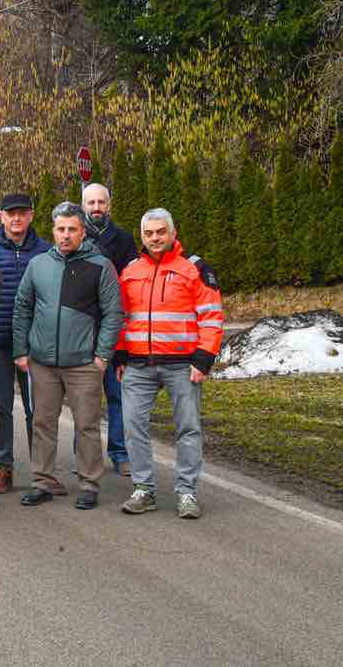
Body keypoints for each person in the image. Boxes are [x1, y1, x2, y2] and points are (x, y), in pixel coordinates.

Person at [114, 208, 224, 519]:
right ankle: (144, 489)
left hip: (182, 364)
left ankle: (187, 492)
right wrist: (120, 354)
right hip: (137, 365)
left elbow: (212, 315)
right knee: (132, 426)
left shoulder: (195, 269)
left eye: (160, 232)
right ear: (142, 237)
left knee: (188, 428)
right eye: (149, 233)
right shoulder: (131, 271)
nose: (155, 238)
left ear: (173, 233)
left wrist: (204, 358)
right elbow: (121, 318)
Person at [12, 203, 123, 510]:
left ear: (82, 231)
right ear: (53, 230)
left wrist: (101, 356)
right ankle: (42, 480)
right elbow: (22, 307)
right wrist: (20, 350)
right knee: (42, 423)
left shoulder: (101, 266)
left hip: (84, 363)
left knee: (86, 425)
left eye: (72, 229)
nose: (65, 235)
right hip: (43, 362)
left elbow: (114, 314)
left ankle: (89, 483)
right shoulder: (38, 265)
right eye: (60, 229)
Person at [0, 193, 51, 494]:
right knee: (0, 408)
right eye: (10, 213)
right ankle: (4, 468)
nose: (16, 219)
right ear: (1, 216)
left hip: (34, 344)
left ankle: (42, 471)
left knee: (36, 409)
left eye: (22, 213)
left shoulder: (45, 250)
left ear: (32, 215)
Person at [82, 182, 139, 476]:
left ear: (109, 204)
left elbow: (131, 287)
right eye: (90, 203)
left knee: (118, 397)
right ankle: (85, 457)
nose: (96, 208)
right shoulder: (74, 238)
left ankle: (119, 452)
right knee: (85, 400)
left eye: (100, 202)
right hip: (84, 335)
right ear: (83, 206)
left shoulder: (125, 240)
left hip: (116, 333)